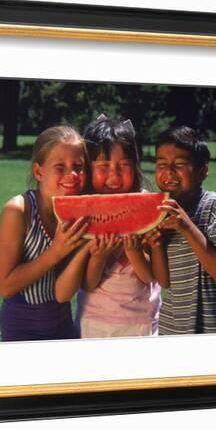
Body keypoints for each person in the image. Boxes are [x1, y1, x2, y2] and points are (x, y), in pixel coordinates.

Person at [0, 126, 91, 341]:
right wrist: (55, 252)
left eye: (78, 166)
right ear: (39, 172)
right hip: (22, 327)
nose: (72, 175)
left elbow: (64, 292)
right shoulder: (18, 210)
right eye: (60, 166)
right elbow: (5, 286)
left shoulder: (78, 213)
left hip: (64, 322)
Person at [145, 126, 216, 334]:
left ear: (202, 172)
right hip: (173, 330)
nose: (169, 172)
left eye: (179, 165)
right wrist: (157, 246)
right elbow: (164, 281)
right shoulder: (161, 212)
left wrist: (187, 226)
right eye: (161, 164)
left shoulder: (214, 205)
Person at [76, 114, 161, 338]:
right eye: (103, 166)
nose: (114, 174)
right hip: (94, 321)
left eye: (124, 165)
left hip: (141, 322)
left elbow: (148, 276)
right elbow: (87, 283)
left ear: (135, 166)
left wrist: (134, 251)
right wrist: (98, 257)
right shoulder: (82, 208)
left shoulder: (146, 203)